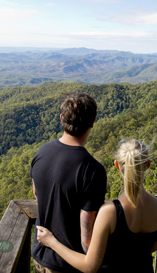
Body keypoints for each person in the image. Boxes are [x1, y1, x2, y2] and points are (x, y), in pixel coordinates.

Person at [36, 139, 157, 273]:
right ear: (148, 164)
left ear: (117, 165)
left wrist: (52, 242)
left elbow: (90, 267)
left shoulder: (110, 212)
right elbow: (153, 247)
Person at [30, 92, 107, 273]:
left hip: (40, 255)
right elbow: (86, 242)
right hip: (68, 264)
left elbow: (36, 192)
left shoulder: (41, 153)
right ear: (93, 122)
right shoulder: (92, 170)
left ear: (62, 118)